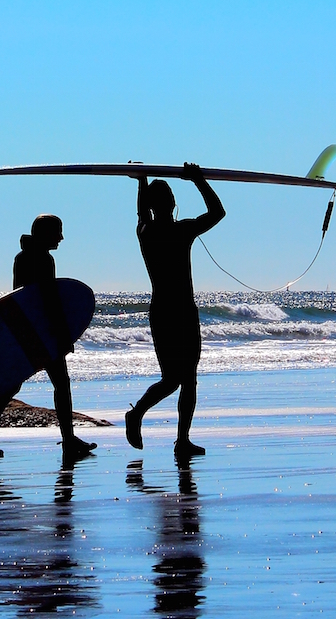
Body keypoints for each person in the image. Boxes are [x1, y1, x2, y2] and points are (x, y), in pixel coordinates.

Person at [0, 213, 96, 461]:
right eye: (58, 232)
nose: (61, 237)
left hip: (23, 328)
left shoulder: (22, 257)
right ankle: (67, 441)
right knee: (60, 384)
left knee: (17, 383)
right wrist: (63, 335)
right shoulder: (43, 259)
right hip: (40, 331)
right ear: (45, 233)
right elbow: (48, 300)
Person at [125, 163, 224, 457]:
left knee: (185, 377)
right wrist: (198, 180)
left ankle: (182, 440)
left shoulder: (145, 230)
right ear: (171, 203)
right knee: (176, 378)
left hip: (171, 310)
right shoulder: (180, 231)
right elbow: (218, 212)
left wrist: (141, 182)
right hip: (175, 311)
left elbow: (141, 212)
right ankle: (138, 413)